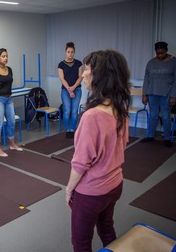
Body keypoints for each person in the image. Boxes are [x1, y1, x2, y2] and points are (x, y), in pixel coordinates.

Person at [65, 50, 131, 252]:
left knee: (81, 243)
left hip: (91, 194)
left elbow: (80, 163)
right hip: (114, 185)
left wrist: (69, 190)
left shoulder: (92, 116)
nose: (83, 74)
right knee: (106, 229)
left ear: (101, 77)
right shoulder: (120, 109)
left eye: (87, 70)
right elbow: (122, 144)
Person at [142, 41, 176, 148]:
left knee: (165, 116)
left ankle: (167, 138)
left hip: (167, 94)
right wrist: (144, 94)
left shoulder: (175, 62)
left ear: (167, 51)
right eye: (157, 53)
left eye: (162, 53)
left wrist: (174, 96)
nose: (160, 55)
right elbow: (146, 80)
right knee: (153, 116)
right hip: (152, 93)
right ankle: (150, 136)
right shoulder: (150, 63)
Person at [58, 42, 83, 138]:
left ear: (74, 52)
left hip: (77, 90)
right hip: (65, 90)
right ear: (65, 52)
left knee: (74, 111)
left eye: (72, 52)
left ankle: (72, 129)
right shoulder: (61, 64)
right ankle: (67, 129)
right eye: (68, 52)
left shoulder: (79, 63)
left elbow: (80, 77)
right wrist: (69, 89)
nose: (70, 54)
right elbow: (62, 78)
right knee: (67, 110)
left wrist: (73, 88)